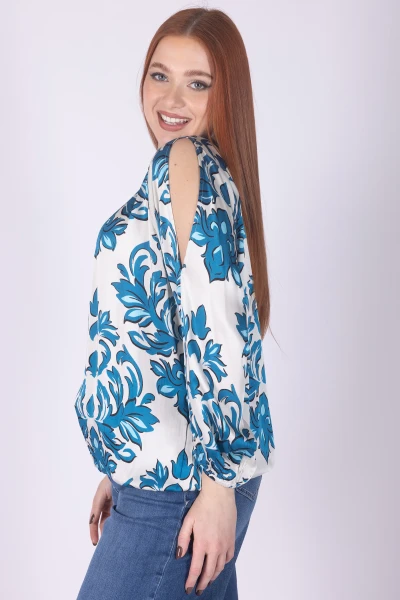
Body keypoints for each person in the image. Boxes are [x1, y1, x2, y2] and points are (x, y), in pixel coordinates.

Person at [74, 7, 276, 599]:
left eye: (198, 83)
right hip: (171, 477)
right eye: (159, 75)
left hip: (182, 486)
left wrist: (214, 488)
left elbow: (215, 324)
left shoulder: (182, 161)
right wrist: (125, 467)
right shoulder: (205, 169)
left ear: (225, 94)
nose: (172, 99)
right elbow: (174, 330)